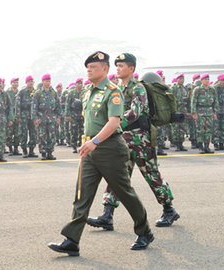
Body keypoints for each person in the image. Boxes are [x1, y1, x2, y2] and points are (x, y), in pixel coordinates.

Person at [48, 51, 153, 257]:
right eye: (87, 67)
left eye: (93, 67)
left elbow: (114, 121)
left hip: (109, 149)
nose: (89, 70)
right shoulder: (88, 92)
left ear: (105, 69)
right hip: (89, 149)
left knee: (124, 192)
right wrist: (88, 142)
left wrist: (95, 141)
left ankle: (144, 231)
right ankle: (72, 240)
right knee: (82, 195)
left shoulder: (112, 92)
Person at [87, 53, 179, 232]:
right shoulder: (118, 88)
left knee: (151, 174)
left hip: (140, 139)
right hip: (123, 139)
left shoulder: (138, 89)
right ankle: (107, 214)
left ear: (131, 69)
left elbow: (135, 112)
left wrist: (113, 122)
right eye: (117, 65)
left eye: (122, 66)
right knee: (117, 175)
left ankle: (169, 209)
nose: (118, 69)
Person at [32, 74, 62, 160]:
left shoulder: (53, 93)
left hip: (51, 117)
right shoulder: (38, 93)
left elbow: (58, 105)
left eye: (49, 81)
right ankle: (43, 153)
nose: (48, 83)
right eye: (46, 81)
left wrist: (59, 116)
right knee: (42, 136)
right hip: (41, 117)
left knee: (52, 135)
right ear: (42, 82)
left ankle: (50, 153)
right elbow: (34, 106)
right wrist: (35, 118)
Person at [191, 73, 218, 154]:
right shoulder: (197, 89)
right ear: (201, 81)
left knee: (209, 130)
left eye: (208, 79)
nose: (207, 81)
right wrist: (194, 113)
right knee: (200, 130)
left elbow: (215, 102)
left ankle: (207, 146)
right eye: (205, 79)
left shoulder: (212, 89)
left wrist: (215, 112)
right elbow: (193, 102)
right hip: (200, 111)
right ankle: (201, 147)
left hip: (209, 111)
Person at [16, 76, 38, 158]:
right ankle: (24, 151)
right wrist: (18, 115)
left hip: (33, 116)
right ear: (26, 83)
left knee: (33, 133)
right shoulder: (22, 92)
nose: (31, 83)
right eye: (29, 81)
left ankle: (31, 150)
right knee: (23, 133)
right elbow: (17, 104)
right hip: (24, 115)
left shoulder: (36, 92)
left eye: (32, 81)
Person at [170, 74, 189, 151]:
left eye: (183, 78)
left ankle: (181, 144)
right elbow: (170, 99)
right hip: (176, 110)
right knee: (176, 128)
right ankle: (177, 144)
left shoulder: (184, 88)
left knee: (182, 128)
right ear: (177, 79)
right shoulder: (173, 88)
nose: (182, 80)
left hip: (183, 110)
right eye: (180, 78)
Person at [65, 78, 85, 153]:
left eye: (81, 83)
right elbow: (67, 104)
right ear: (76, 84)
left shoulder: (84, 92)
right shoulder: (71, 93)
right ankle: (74, 146)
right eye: (79, 83)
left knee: (82, 131)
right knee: (74, 131)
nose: (80, 85)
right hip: (73, 114)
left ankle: (81, 145)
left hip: (82, 114)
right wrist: (68, 115)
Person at [212, 74, 224, 150]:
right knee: (216, 128)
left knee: (223, 127)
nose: (223, 82)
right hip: (216, 110)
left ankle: (222, 143)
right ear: (218, 81)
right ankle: (215, 144)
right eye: (222, 80)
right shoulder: (214, 88)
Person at [5, 78, 22, 156]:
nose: (15, 84)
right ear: (11, 83)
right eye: (14, 82)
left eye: (17, 82)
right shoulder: (7, 92)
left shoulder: (20, 93)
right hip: (9, 116)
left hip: (17, 115)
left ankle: (16, 149)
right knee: (9, 133)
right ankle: (10, 149)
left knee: (17, 133)